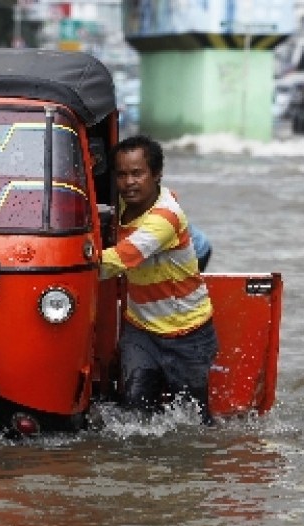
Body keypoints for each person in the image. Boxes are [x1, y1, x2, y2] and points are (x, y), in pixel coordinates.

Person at [99, 135, 218, 423]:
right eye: (122, 174)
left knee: (194, 423)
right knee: (135, 418)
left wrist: (60, 263)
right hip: (140, 330)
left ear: (156, 174)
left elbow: (115, 261)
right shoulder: (120, 206)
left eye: (137, 173)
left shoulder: (165, 218)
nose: (129, 182)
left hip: (188, 333)